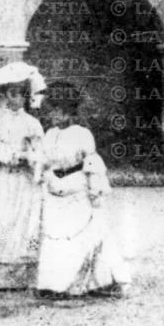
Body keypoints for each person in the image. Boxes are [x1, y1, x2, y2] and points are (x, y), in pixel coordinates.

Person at [36, 81, 130, 298]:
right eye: (52, 111)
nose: (54, 116)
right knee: (55, 236)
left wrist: (95, 191)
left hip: (77, 189)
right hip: (55, 190)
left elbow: (92, 164)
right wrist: (43, 173)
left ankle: (82, 283)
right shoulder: (49, 134)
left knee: (81, 234)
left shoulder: (82, 134)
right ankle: (52, 283)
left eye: (58, 111)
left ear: (69, 110)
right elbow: (45, 160)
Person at [0, 61, 46, 290]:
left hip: (23, 181)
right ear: (5, 95)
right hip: (5, 179)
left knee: (22, 220)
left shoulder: (32, 124)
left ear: (26, 97)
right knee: (2, 219)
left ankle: (22, 276)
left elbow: (40, 155)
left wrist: (25, 157)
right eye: (10, 94)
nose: (13, 99)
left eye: (18, 94)